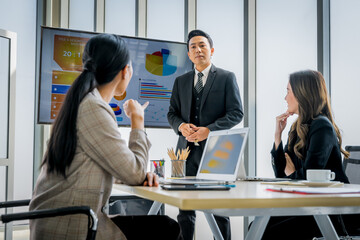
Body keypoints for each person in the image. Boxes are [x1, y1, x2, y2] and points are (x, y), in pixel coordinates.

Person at [30, 34, 182, 240]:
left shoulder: (83, 101)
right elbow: (135, 173)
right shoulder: (94, 108)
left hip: (61, 219)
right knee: (166, 228)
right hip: (73, 226)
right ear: (124, 71)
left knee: (162, 226)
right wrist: (138, 120)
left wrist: (128, 172)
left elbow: (95, 164)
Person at [263, 70, 360, 239]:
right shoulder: (297, 128)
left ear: (302, 94)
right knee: (260, 226)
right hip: (313, 207)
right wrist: (277, 137)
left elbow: (310, 176)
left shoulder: (322, 126)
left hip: (331, 212)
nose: (285, 98)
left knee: (268, 231)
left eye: (288, 91)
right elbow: (281, 175)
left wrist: (292, 174)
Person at [168, 29, 243, 240]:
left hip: (216, 152)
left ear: (211, 50)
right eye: (193, 47)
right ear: (189, 54)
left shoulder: (227, 77)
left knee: (219, 210)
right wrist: (181, 126)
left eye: (202, 45)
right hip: (184, 153)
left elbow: (237, 113)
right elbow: (171, 113)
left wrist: (209, 130)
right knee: (185, 211)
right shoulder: (180, 81)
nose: (198, 50)